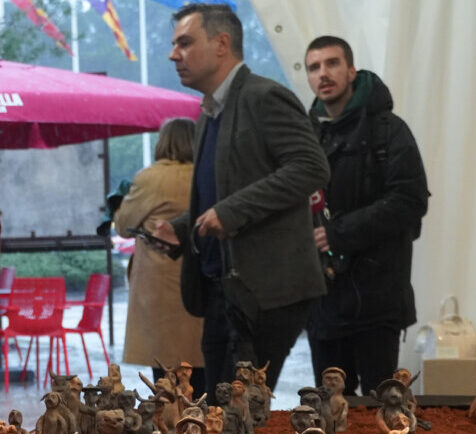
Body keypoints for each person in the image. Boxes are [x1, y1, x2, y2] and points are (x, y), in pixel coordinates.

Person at [153, 3, 329, 396]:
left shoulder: (265, 97)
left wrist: (231, 212)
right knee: (222, 415)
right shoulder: (210, 112)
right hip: (225, 290)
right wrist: (182, 227)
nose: (173, 54)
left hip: (264, 293)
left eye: (184, 42)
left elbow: (311, 167)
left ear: (221, 44)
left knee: (237, 421)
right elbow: (223, 191)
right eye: (173, 44)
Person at [302, 35, 430, 396]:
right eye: (314, 67)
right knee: (331, 410)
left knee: (381, 410)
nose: (323, 73)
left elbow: (409, 200)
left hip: (378, 298)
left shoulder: (389, 130)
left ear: (352, 71)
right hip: (323, 300)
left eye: (332, 63)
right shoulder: (305, 135)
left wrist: (338, 232)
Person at [114, 117, 205, 390]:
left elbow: (123, 225)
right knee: (202, 373)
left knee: (165, 378)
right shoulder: (204, 174)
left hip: (158, 292)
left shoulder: (150, 178)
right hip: (199, 283)